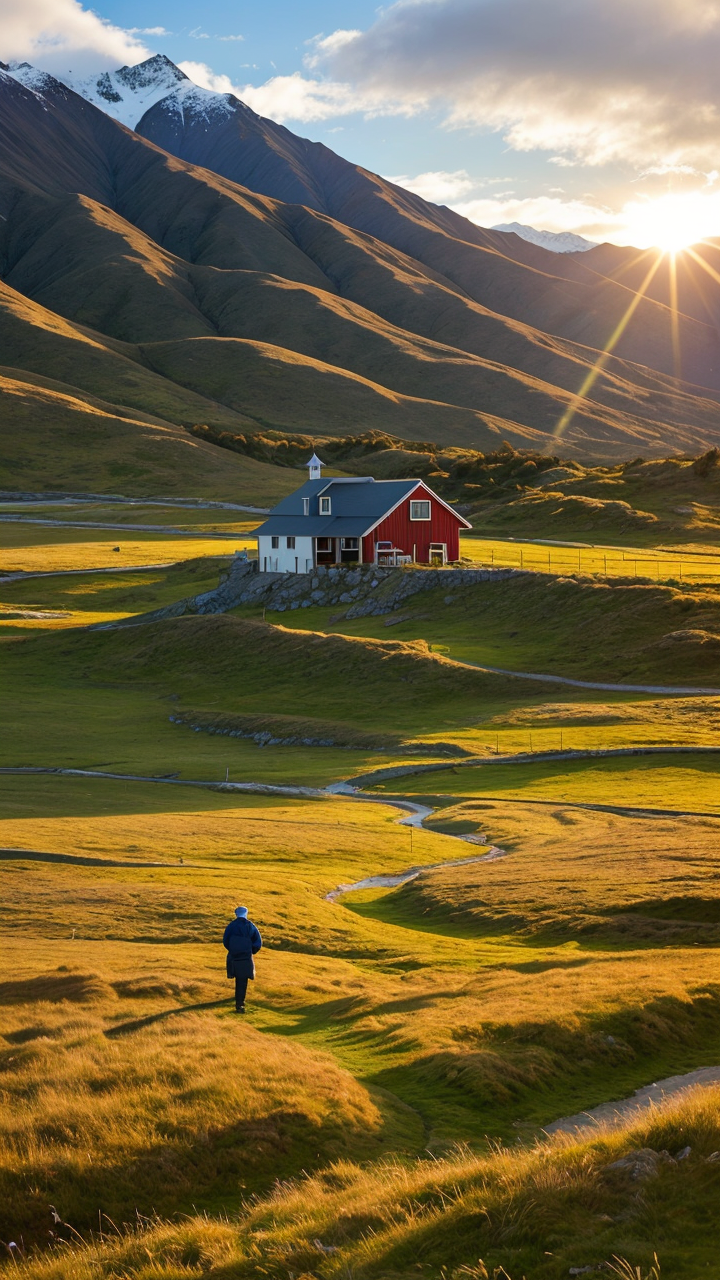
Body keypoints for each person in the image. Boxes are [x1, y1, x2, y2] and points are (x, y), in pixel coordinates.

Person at [223, 906, 262, 1012]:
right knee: (243, 980)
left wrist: (232, 950)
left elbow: (225, 941)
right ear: (246, 913)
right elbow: (258, 942)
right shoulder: (250, 926)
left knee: (237, 978)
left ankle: (238, 1001)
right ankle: (240, 1003)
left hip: (234, 957)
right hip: (245, 957)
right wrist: (251, 951)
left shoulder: (231, 926)